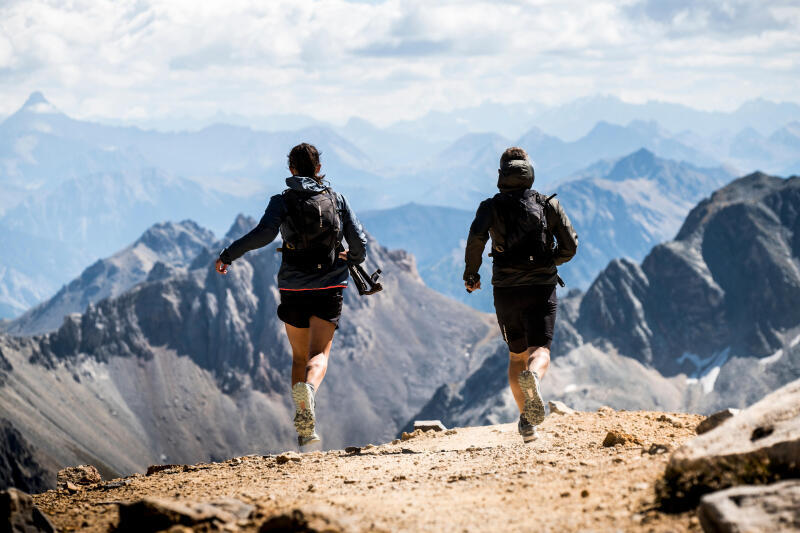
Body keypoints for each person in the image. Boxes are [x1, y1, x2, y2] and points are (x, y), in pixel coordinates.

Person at [215, 143, 368, 447]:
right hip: (329, 286)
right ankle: (309, 391)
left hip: (293, 286)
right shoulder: (336, 199)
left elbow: (263, 234)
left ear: (291, 170)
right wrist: (352, 258)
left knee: (299, 356)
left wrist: (228, 255)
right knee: (319, 355)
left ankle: (304, 428)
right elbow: (359, 244)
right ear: (319, 169)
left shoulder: (281, 201)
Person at [463, 147, 578, 442]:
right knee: (540, 351)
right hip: (541, 287)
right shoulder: (548, 204)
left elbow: (476, 239)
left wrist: (471, 275)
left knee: (516, 356)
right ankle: (535, 381)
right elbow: (570, 246)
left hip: (506, 289)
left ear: (501, 174)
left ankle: (528, 423)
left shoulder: (489, 207)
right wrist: (551, 261)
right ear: (529, 171)